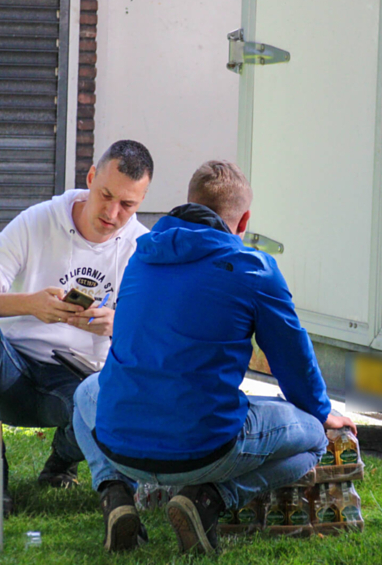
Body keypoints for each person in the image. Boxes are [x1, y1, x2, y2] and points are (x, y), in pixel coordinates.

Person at [71, 160, 356, 554]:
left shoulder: (141, 257)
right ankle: (208, 499)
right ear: (245, 221)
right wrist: (322, 411)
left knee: (85, 392)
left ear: (189, 204)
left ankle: (115, 493)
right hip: (205, 451)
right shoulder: (254, 269)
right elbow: (292, 360)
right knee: (313, 438)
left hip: (119, 445)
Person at [0, 140, 154, 515]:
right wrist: (31, 304)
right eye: (106, 195)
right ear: (91, 177)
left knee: (112, 397)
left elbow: (157, 339)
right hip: (11, 373)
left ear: (141, 202)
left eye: (127, 205)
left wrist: (118, 325)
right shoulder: (37, 221)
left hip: (78, 383)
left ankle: (62, 460)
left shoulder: (143, 247)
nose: (112, 213)